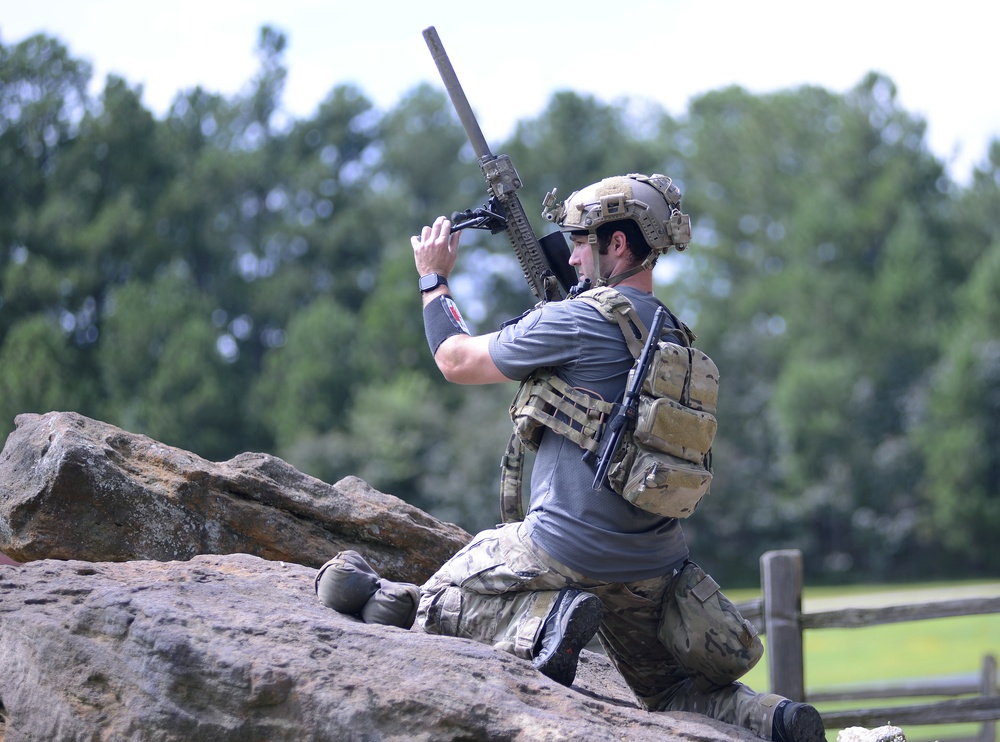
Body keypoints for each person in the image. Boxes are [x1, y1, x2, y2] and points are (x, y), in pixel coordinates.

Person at [316, 174, 825, 742]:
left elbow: (455, 360)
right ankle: (772, 718)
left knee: (434, 603)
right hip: (653, 565)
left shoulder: (575, 320)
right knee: (666, 692)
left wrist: (433, 280)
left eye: (583, 241)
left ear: (619, 245)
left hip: (564, 548)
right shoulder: (675, 335)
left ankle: (543, 627)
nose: (574, 254)